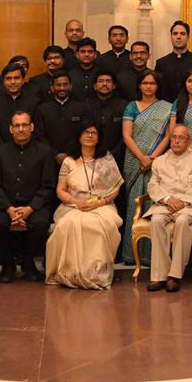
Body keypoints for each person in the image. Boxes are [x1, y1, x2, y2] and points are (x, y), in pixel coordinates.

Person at [47, 121, 123, 290]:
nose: (89, 136)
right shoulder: (69, 161)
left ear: (99, 138)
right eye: (86, 132)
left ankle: (94, 273)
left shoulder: (106, 158)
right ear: (79, 136)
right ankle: (70, 272)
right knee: (68, 224)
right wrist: (76, 202)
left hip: (102, 204)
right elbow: (61, 190)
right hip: (73, 205)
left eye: (93, 133)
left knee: (96, 224)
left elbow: (115, 190)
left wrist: (100, 202)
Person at [0, 110, 57, 283]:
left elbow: (48, 186)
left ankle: (28, 262)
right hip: (5, 206)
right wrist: (10, 209)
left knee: (40, 224)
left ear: (32, 127)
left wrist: (30, 208)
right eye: (17, 125)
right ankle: (8, 264)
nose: (21, 129)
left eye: (24, 125)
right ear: (10, 129)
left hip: (34, 206)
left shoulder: (44, 151)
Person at [144, 123, 192, 292]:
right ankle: (159, 276)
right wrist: (168, 199)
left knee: (183, 221)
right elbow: (153, 186)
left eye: (181, 138)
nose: (176, 141)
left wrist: (181, 201)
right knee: (157, 220)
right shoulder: (159, 161)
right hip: (164, 205)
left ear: (188, 141)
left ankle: (174, 276)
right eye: (173, 137)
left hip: (189, 206)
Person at [120, 71, 174, 263]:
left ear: (158, 86)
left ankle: (153, 255)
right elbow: (127, 135)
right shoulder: (131, 107)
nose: (148, 86)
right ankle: (131, 254)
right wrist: (142, 158)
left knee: (154, 204)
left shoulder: (168, 107)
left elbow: (169, 136)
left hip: (157, 162)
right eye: (145, 83)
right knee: (135, 205)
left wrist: (152, 158)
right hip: (134, 161)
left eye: (152, 83)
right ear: (139, 86)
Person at [34, 73, 90, 165]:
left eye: (65, 84)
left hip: (76, 158)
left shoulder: (81, 108)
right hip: (48, 159)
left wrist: (68, 153)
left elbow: (84, 133)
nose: (62, 88)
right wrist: (55, 154)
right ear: (52, 88)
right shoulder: (42, 109)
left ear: (71, 86)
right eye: (58, 85)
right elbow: (39, 135)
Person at [155, 20, 192, 102]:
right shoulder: (161, 63)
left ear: (188, 37)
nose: (178, 37)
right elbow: (157, 90)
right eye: (175, 33)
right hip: (167, 108)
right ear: (171, 37)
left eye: (182, 34)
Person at [89, 71, 128, 163]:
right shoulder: (87, 107)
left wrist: (113, 153)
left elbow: (127, 134)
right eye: (101, 81)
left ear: (114, 86)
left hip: (119, 157)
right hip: (91, 157)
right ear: (95, 86)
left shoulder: (124, 106)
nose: (104, 84)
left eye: (108, 81)